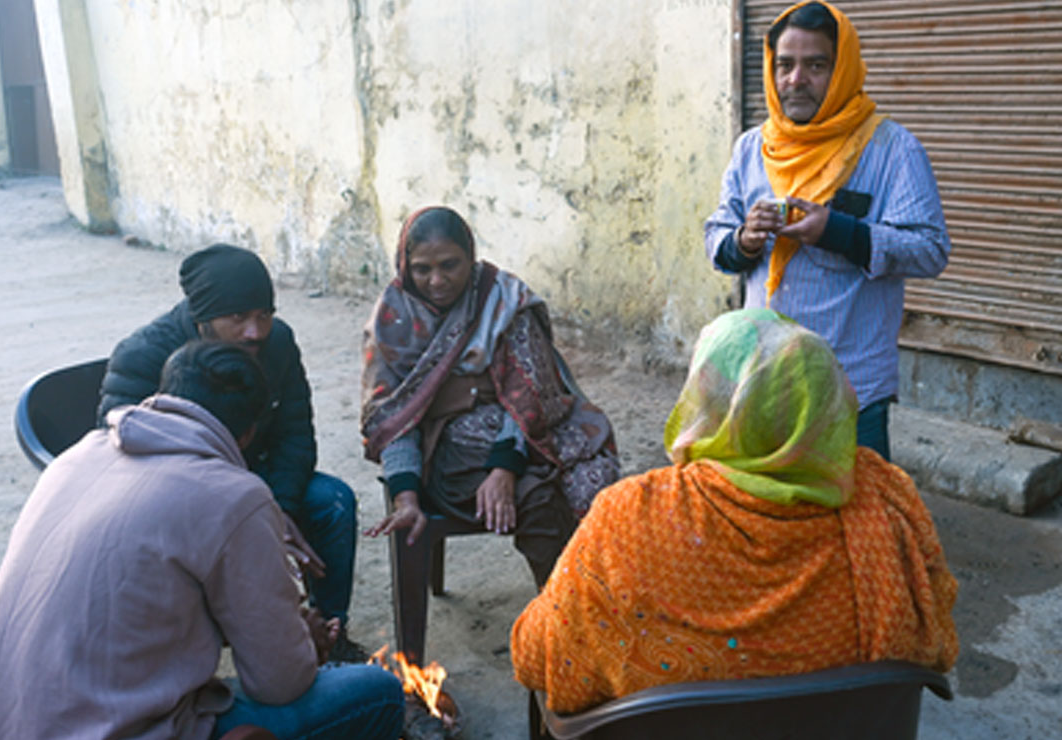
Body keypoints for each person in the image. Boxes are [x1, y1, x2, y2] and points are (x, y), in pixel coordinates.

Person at [509, 308, 958, 715]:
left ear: (708, 402)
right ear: (832, 401)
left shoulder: (629, 518)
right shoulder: (888, 498)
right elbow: (933, 634)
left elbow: (536, 656)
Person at [0, 340, 404, 739]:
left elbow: (142, 600)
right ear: (247, 434)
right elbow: (279, 683)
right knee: (377, 694)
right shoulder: (233, 496)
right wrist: (301, 643)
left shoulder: (77, 456)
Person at [703, 0, 951, 461]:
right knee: (769, 518)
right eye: (785, 65)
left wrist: (839, 232)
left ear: (842, 70)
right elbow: (716, 237)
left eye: (816, 65)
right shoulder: (752, 149)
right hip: (764, 377)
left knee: (853, 521)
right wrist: (743, 240)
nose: (796, 80)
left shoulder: (891, 149)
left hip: (850, 385)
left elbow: (931, 249)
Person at [98, 243, 367, 662]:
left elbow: (295, 435)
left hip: (255, 477)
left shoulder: (277, 343)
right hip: (177, 496)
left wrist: (278, 506)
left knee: (334, 503)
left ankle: (329, 633)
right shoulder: (143, 356)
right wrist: (252, 517)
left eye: (264, 314)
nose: (254, 332)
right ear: (202, 318)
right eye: (237, 318)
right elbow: (121, 455)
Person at [360, 206, 620, 588]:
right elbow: (395, 417)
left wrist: (504, 467)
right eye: (422, 269)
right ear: (405, 266)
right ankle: (563, 619)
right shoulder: (393, 321)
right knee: (541, 501)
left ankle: (590, 602)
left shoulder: (502, 300)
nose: (437, 280)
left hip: (525, 434)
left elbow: (531, 396)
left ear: (471, 257)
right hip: (445, 454)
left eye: (450, 265)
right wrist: (406, 497)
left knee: (596, 485)